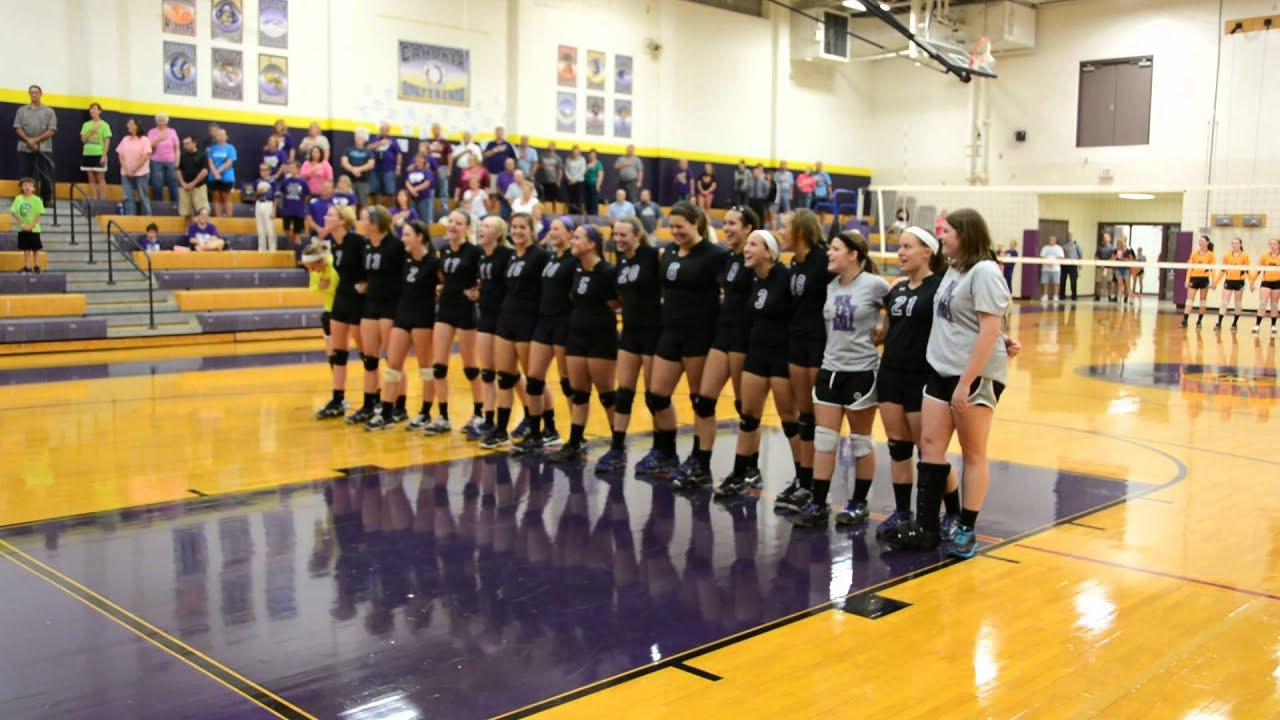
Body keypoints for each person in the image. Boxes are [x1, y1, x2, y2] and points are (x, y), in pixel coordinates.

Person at [887, 208, 1012, 558]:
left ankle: (967, 528)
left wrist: (966, 382)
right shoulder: (954, 270)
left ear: (965, 234)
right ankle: (926, 527)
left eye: (948, 232)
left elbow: (989, 328)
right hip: (940, 370)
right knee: (930, 445)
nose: (942, 238)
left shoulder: (985, 271)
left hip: (973, 376)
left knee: (973, 453)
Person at [790, 230, 890, 527]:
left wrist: (884, 332)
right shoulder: (831, 286)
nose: (829, 254)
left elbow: (896, 308)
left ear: (853, 254)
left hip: (861, 372)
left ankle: (859, 503)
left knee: (860, 442)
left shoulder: (874, 285)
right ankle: (818, 503)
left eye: (834, 249)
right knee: (824, 439)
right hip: (830, 369)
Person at [869, 227, 956, 537]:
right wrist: (879, 336)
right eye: (899, 247)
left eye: (907, 247)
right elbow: (889, 328)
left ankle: (953, 511)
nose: (900, 253)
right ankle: (903, 513)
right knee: (898, 448)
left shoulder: (940, 288)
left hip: (922, 376)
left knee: (928, 451)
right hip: (891, 372)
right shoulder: (897, 288)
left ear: (927, 252)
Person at [634, 202, 726, 476]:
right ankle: (666, 451)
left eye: (680, 227)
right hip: (670, 332)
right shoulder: (670, 251)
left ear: (696, 223)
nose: (675, 232)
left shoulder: (714, 255)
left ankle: (700, 460)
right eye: (671, 227)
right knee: (657, 395)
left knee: (701, 401)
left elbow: (729, 293)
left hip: (698, 335)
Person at [671, 206, 760, 491]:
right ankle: (701, 463)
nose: (727, 228)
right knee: (703, 401)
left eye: (733, 223)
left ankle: (747, 468)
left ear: (748, 228)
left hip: (744, 338)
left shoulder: (755, 258)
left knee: (745, 409)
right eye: (725, 223)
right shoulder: (729, 258)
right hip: (722, 334)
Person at [774, 209, 833, 514]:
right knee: (804, 417)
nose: (779, 232)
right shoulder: (794, 264)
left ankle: (818, 487)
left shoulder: (824, 259)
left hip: (820, 343)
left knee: (820, 420)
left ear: (799, 230)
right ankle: (804, 480)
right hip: (796, 342)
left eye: (783, 227)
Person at [547, 224, 618, 463]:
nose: (573, 241)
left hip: (601, 337)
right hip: (576, 335)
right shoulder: (576, 270)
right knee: (578, 393)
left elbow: (616, 302)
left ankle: (617, 445)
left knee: (607, 395)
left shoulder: (608, 271)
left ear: (592, 244)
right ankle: (575, 441)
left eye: (577, 238)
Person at [595, 217, 660, 473]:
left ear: (637, 235)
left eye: (624, 235)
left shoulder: (653, 255)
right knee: (623, 393)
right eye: (616, 235)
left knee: (655, 397)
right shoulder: (621, 263)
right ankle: (617, 447)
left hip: (653, 332)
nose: (618, 239)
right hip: (630, 332)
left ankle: (662, 448)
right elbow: (620, 297)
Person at [510, 217, 578, 453]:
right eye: (551, 229)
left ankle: (576, 437)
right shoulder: (550, 258)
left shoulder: (574, 260)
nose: (553, 232)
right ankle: (539, 432)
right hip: (543, 321)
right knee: (535, 378)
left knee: (568, 383)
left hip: (563, 322)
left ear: (570, 233)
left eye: (557, 229)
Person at [483, 212, 548, 449]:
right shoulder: (511, 256)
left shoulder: (540, 256)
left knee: (533, 380)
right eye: (515, 227)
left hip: (528, 321)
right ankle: (501, 429)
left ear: (532, 230)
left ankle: (539, 429)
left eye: (523, 227)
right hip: (506, 320)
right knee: (505, 378)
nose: (518, 231)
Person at [366, 220, 438, 430]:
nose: (403, 239)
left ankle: (425, 412)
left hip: (423, 318)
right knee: (393, 366)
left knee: (426, 368)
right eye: (403, 234)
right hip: (402, 316)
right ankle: (387, 412)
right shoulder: (404, 259)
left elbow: (446, 284)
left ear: (420, 237)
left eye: (407, 235)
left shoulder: (433, 263)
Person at [424, 211, 484, 436]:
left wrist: (477, 291)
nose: (453, 226)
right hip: (446, 308)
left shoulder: (475, 251)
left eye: (459, 223)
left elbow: (485, 276)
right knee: (438, 366)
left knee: (470, 367)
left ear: (467, 228)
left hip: (466, 310)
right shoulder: (445, 249)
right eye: (451, 221)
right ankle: (444, 416)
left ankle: (479, 414)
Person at [348, 206, 406, 425]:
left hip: (390, 306)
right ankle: (369, 403)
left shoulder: (395, 246)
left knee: (394, 359)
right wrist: (363, 284)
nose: (360, 223)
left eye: (363, 220)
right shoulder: (366, 247)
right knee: (370, 359)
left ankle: (399, 405)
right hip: (370, 305)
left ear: (374, 224)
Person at [314, 206, 367, 420]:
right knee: (338, 352)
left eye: (330, 215)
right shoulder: (334, 245)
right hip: (341, 299)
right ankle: (337, 399)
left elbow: (370, 268)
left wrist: (366, 284)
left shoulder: (357, 242)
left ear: (343, 221)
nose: (326, 217)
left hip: (358, 302)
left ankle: (374, 400)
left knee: (367, 354)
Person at [468, 215, 516, 440]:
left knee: (509, 374)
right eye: (481, 225)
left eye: (487, 226)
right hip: (485, 316)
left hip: (503, 318)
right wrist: (476, 293)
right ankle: (488, 419)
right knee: (487, 372)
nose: (481, 228)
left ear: (498, 233)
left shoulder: (507, 256)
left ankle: (529, 413)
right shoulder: (482, 257)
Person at [301, 240, 340, 410]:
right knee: (331, 350)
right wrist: (320, 285)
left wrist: (326, 287)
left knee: (347, 351)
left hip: (344, 310)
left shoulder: (334, 266)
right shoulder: (315, 270)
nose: (311, 271)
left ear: (320, 261)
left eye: (312, 267)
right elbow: (312, 288)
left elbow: (340, 287)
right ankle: (339, 391)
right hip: (329, 310)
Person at [14, 85, 57, 205]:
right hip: (25, 147)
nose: (34, 94)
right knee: (25, 173)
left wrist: (36, 141)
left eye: (36, 92)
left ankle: (46, 199)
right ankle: (24, 199)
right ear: (29, 94)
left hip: (44, 148)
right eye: (32, 92)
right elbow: (18, 128)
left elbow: (51, 130)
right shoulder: (21, 111)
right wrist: (29, 141)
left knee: (45, 174)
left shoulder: (49, 111)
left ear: (40, 94)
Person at [116, 118, 153, 216]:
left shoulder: (145, 140)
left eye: (131, 124)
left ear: (137, 126)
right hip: (125, 173)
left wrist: (134, 169)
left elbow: (145, 156)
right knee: (128, 196)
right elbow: (120, 155)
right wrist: (126, 169)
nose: (128, 126)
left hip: (141, 173)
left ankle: (147, 218)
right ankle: (130, 218)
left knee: (143, 196)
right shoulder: (125, 139)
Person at [1213, 237, 1250, 332]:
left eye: (1236, 243)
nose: (1234, 245)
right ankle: (1219, 323)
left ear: (1240, 244)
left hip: (1239, 282)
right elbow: (1222, 270)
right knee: (1224, 302)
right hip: (1229, 281)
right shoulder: (1227, 255)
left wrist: (1251, 282)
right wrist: (1215, 282)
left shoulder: (1245, 255)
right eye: (1233, 243)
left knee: (1237, 303)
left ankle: (1234, 323)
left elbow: (1247, 270)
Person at [10, 178, 44, 274]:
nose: (27, 187)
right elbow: (15, 212)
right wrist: (21, 224)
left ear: (33, 188)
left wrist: (31, 226)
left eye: (29, 185)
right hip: (22, 229)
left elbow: (39, 214)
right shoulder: (18, 199)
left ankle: (37, 266)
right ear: (21, 187)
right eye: (25, 185)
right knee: (26, 249)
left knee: (36, 249)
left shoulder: (37, 200)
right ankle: (27, 267)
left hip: (34, 229)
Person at [1181, 235, 1215, 329]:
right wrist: (1187, 280)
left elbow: (1213, 269)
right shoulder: (1194, 253)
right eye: (1199, 241)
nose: (1200, 242)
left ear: (1207, 243)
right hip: (1194, 278)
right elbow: (1190, 268)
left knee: (1203, 301)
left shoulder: (1210, 255)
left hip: (1204, 279)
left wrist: (1214, 282)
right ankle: (1185, 320)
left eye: (1203, 241)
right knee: (1189, 300)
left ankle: (1199, 321)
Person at [79, 103, 111, 199]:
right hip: (88, 153)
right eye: (91, 109)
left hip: (99, 154)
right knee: (91, 178)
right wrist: (91, 131)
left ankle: (102, 200)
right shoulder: (86, 125)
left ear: (100, 111)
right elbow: (83, 140)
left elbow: (107, 141)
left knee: (100, 178)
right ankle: (94, 199)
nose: (92, 111)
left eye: (95, 109)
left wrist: (104, 155)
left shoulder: (104, 125)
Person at [147, 113, 181, 203]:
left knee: (173, 183)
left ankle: (175, 204)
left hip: (171, 161)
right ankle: (158, 205)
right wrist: (159, 139)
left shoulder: (172, 132)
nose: (161, 122)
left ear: (166, 122)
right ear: (156, 121)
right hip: (156, 161)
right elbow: (148, 146)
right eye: (159, 120)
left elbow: (177, 148)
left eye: (163, 120)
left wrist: (177, 161)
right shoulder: (152, 132)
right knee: (157, 184)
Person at [278, 161, 309, 258]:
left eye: (292, 167)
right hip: (287, 209)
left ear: (298, 169)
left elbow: (306, 195)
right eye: (289, 167)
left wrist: (301, 204)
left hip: (299, 210)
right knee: (286, 228)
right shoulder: (286, 181)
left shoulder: (303, 182)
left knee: (298, 233)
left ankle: (299, 254)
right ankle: (294, 241)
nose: (290, 169)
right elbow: (282, 192)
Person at [177, 135, 209, 225]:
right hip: (185, 188)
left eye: (188, 143)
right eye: (184, 144)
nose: (185, 146)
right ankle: (189, 232)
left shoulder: (202, 156)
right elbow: (179, 170)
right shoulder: (183, 156)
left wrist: (193, 183)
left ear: (194, 143)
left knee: (203, 210)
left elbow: (204, 171)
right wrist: (182, 183)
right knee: (186, 213)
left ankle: (204, 229)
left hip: (199, 187)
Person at [369, 122, 403, 208]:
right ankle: (378, 208)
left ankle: (391, 209)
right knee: (376, 190)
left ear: (388, 130)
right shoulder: (375, 139)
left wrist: (398, 167)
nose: (383, 131)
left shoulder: (393, 140)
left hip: (389, 169)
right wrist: (380, 143)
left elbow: (399, 153)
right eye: (382, 129)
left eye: (385, 129)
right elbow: (368, 148)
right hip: (376, 169)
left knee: (390, 190)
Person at [206, 128, 238, 218]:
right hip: (213, 177)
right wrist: (215, 173)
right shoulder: (212, 149)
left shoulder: (230, 148)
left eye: (222, 135)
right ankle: (218, 218)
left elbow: (230, 162)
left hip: (226, 177)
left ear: (226, 137)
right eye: (218, 135)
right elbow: (210, 162)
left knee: (226, 197)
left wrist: (218, 172)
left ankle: (228, 219)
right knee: (216, 198)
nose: (220, 137)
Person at [1251, 238, 1280, 335]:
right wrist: (1252, 282)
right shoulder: (1265, 256)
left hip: (1277, 283)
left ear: (1278, 245)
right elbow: (1258, 270)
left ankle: (1273, 325)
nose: (1272, 246)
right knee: (1263, 303)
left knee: (1274, 304)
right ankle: (1257, 324)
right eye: (1271, 244)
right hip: (1266, 282)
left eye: (1274, 244)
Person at [422, 123, 453, 212]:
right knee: (430, 188)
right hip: (430, 168)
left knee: (443, 188)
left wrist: (449, 170)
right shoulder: (428, 141)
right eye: (434, 129)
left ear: (440, 129)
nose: (436, 130)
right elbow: (423, 154)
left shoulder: (445, 142)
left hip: (442, 167)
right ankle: (430, 207)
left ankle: (445, 208)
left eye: (437, 128)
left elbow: (450, 156)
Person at [341, 129, 376, 207]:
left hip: (363, 182)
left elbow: (371, 164)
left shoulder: (368, 152)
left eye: (361, 138)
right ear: (354, 139)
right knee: (349, 203)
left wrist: (359, 169)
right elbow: (344, 162)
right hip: (350, 182)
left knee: (363, 203)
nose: (359, 140)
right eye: (357, 138)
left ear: (364, 140)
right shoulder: (348, 150)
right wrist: (352, 169)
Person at [403, 152, 436, 226]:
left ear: (424, 160)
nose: (418, 160)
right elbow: (407, 181)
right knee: (413, 219)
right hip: (412, 198)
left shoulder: (427, 171)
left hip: (424, 198)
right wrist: (411, 190)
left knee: (424, 219)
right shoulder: (411, 171)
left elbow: (427, 183)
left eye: (420, 158)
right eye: (417, 158)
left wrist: (415, 189)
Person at [253, 164, 278, 252]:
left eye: (265, 170)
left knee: (270, 229)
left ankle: (272, 249)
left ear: (269, 171)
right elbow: (253, 196)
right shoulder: (257, 181)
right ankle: (261, 249)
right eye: (261, 170)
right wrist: (258, 192)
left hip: (269, 204)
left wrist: (274, 210)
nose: (263, 172)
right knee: (260, 229)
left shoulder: (273, 182)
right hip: (259, 204)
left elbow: (276, 196)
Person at [536, 141, 563, 212]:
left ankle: (554, 212)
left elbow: (560, 170)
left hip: (553, 181)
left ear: (554, 148)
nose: (550, 147)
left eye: (552, 146)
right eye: (549, 146)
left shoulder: (558, 158)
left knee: (554, 198)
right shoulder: (542, 156)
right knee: (543, 198)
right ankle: (543, 211)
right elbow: (537, 166)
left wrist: (558, 181)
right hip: (544, 180)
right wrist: (544, 165)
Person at [1039, 235, 1064, 303]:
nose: (1051, 240)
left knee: (1056, 283)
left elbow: (1061, 257)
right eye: (1050, 239)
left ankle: (1055, 296)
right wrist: (1047, 263)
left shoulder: (1059, 248)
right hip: (1045, 268)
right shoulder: (1045, 248)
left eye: (1053, 239)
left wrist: (1053, 263)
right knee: (1045, 282)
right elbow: (1041, 257)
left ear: (1055, 240)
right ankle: (1045, 296)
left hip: (1056, 269)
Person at [564, 146, 586, 215]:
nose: (575, 153)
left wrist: (575, 179)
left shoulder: (582, 160)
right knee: (571, 199)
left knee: (578, 199)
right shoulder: (568, 160)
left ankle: (578, 214)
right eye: (574, 152)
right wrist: (570, 178)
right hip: (570, 182)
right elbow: (566, 170)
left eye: (576, 152)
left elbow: (582, 171)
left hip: (579, 182)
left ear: (579, 152)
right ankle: (571, 214)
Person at [1114, 236, 1136, 305]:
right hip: (1118, 269)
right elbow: (1112, 259)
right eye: (1118, 244)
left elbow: (1131, 260)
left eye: (1120, 244)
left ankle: (1131, 299)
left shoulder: (1128, 250)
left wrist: (1123, 259)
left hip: (1126, 269)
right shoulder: (1115, 251)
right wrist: (1116, 257)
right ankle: (1119, 299)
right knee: (1120, 284)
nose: (1119, 245)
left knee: (1127, 285)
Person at [1095, 232, 1117, 301]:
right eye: (1104, 237)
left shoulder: (1113, 248)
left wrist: (1106, 265)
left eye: (1106, 237)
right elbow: (1096, 256)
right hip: (1100, 267)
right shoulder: (1099, 247)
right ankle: (1097, 296)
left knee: (1109, 282)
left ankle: (1109, 296)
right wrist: (1101, 264)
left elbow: (1113, 257)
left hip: (1109, 268)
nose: (1105, 239)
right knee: (1098, 281)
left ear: (1109, 238)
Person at [1059, 232, 1081, 301]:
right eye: (1068, 235)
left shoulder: (1076, 245)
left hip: (1073, 265)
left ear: (1072, 236)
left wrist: (1080, 264)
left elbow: (1080, 255)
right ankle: (1062, 295)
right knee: (1062, 280)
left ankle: (1074, 295)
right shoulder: (1062, 245)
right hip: (1064, 265)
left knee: (1073, 281)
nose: (1069, 237)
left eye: (1070, 236)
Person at [584, 150, 605, 216]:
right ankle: (588, 214)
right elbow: (583, 174)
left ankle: (594, 215)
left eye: (593, 154)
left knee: (594, 201)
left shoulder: (598, 164)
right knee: (588, 201)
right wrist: (587, 168)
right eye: (590, 154)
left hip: (594, 185)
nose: (591, 156)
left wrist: (598, 185)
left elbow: (600, 175)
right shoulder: (587, 163)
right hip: (587, 185)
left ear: (595, 155)